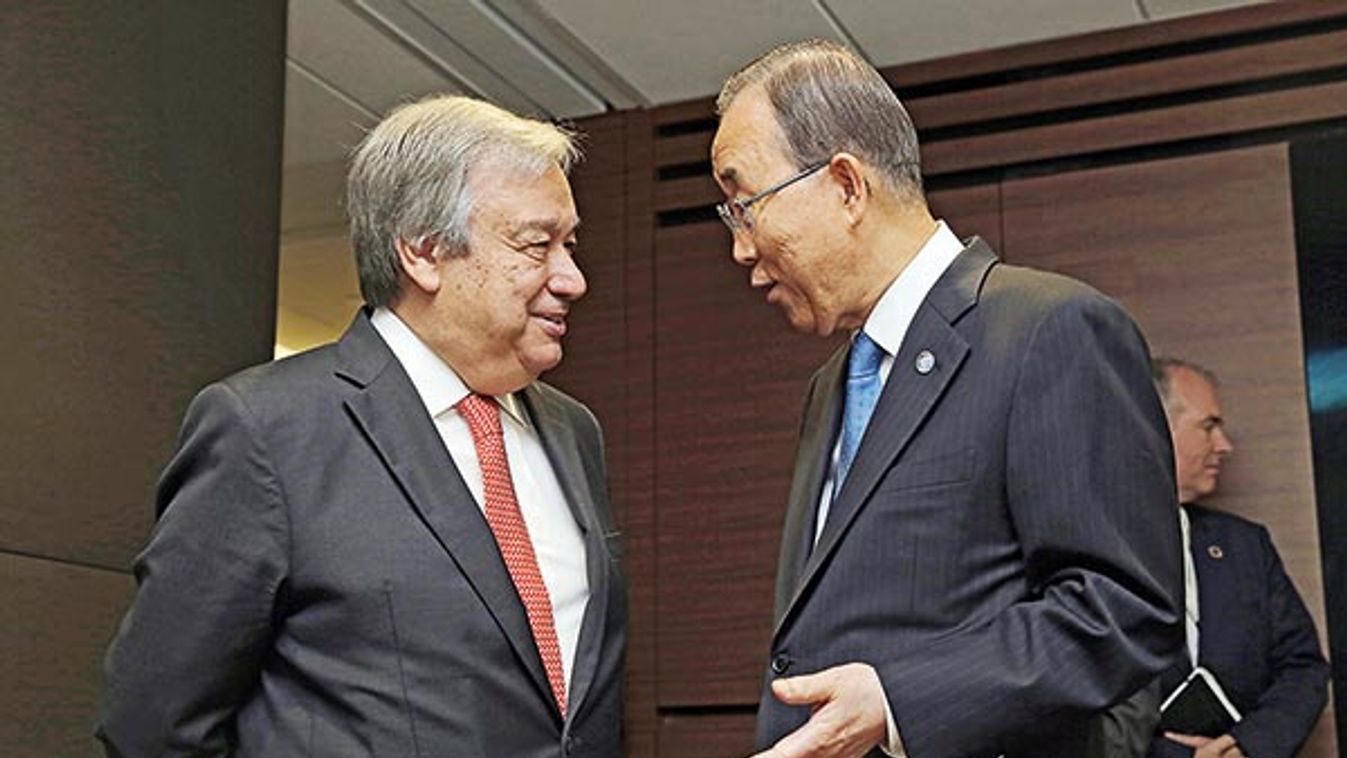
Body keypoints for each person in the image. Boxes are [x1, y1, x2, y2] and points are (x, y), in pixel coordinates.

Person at [96, 95, 625, 757]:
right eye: (535, 244)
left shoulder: (574, 433)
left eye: (568, 244)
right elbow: (152, 725)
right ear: (423, 252)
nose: (571, 277)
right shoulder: (266, 428)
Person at [710, 40, 1183, 758]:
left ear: (844, 186)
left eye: (744, 205)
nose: (740, 247)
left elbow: (1122, 610)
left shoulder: (1047, 329)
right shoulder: (829, 387)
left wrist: (900, 697)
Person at [1144, 358, 1328, 758]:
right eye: (1209, 426)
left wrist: (1246, 747)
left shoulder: (1246, 545)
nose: (1225, 445)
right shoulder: (1086, 544)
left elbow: (1304, 667)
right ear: (1155, 427)